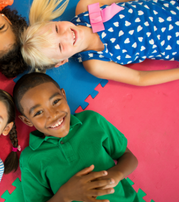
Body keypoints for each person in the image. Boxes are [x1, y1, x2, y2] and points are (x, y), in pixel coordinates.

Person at [21, 0, 179, 86]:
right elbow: (139, 78)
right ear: (62, 61)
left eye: (56, 29)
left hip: (172, 2)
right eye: (61, 46)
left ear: (53, 21)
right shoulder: (96, 63)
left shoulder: (86, 7)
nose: (66, 35)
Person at [13, 73, 138, 202]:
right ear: (27, 121)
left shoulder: (92, 121)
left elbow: (129, 157)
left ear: (63, 95)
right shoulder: (30, 159)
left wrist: (116, 174)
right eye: (39, 112)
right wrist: (65, 195)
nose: (53, 115)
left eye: (55, 101)